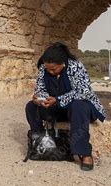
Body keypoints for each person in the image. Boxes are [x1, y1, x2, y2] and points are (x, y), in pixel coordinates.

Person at [25, 42, 105, 171]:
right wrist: (40, 99)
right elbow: (41, 88)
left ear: (63, 63)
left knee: (78, 106)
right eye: (48, 69)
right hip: (57, 106)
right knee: (31, 107)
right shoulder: (43, 68)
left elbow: (84, 92)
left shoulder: (75, 66)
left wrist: (58, 99)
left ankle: (84, 153)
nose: (50, 71)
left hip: (80, 107)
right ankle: (40, 143)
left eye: (54, 69)